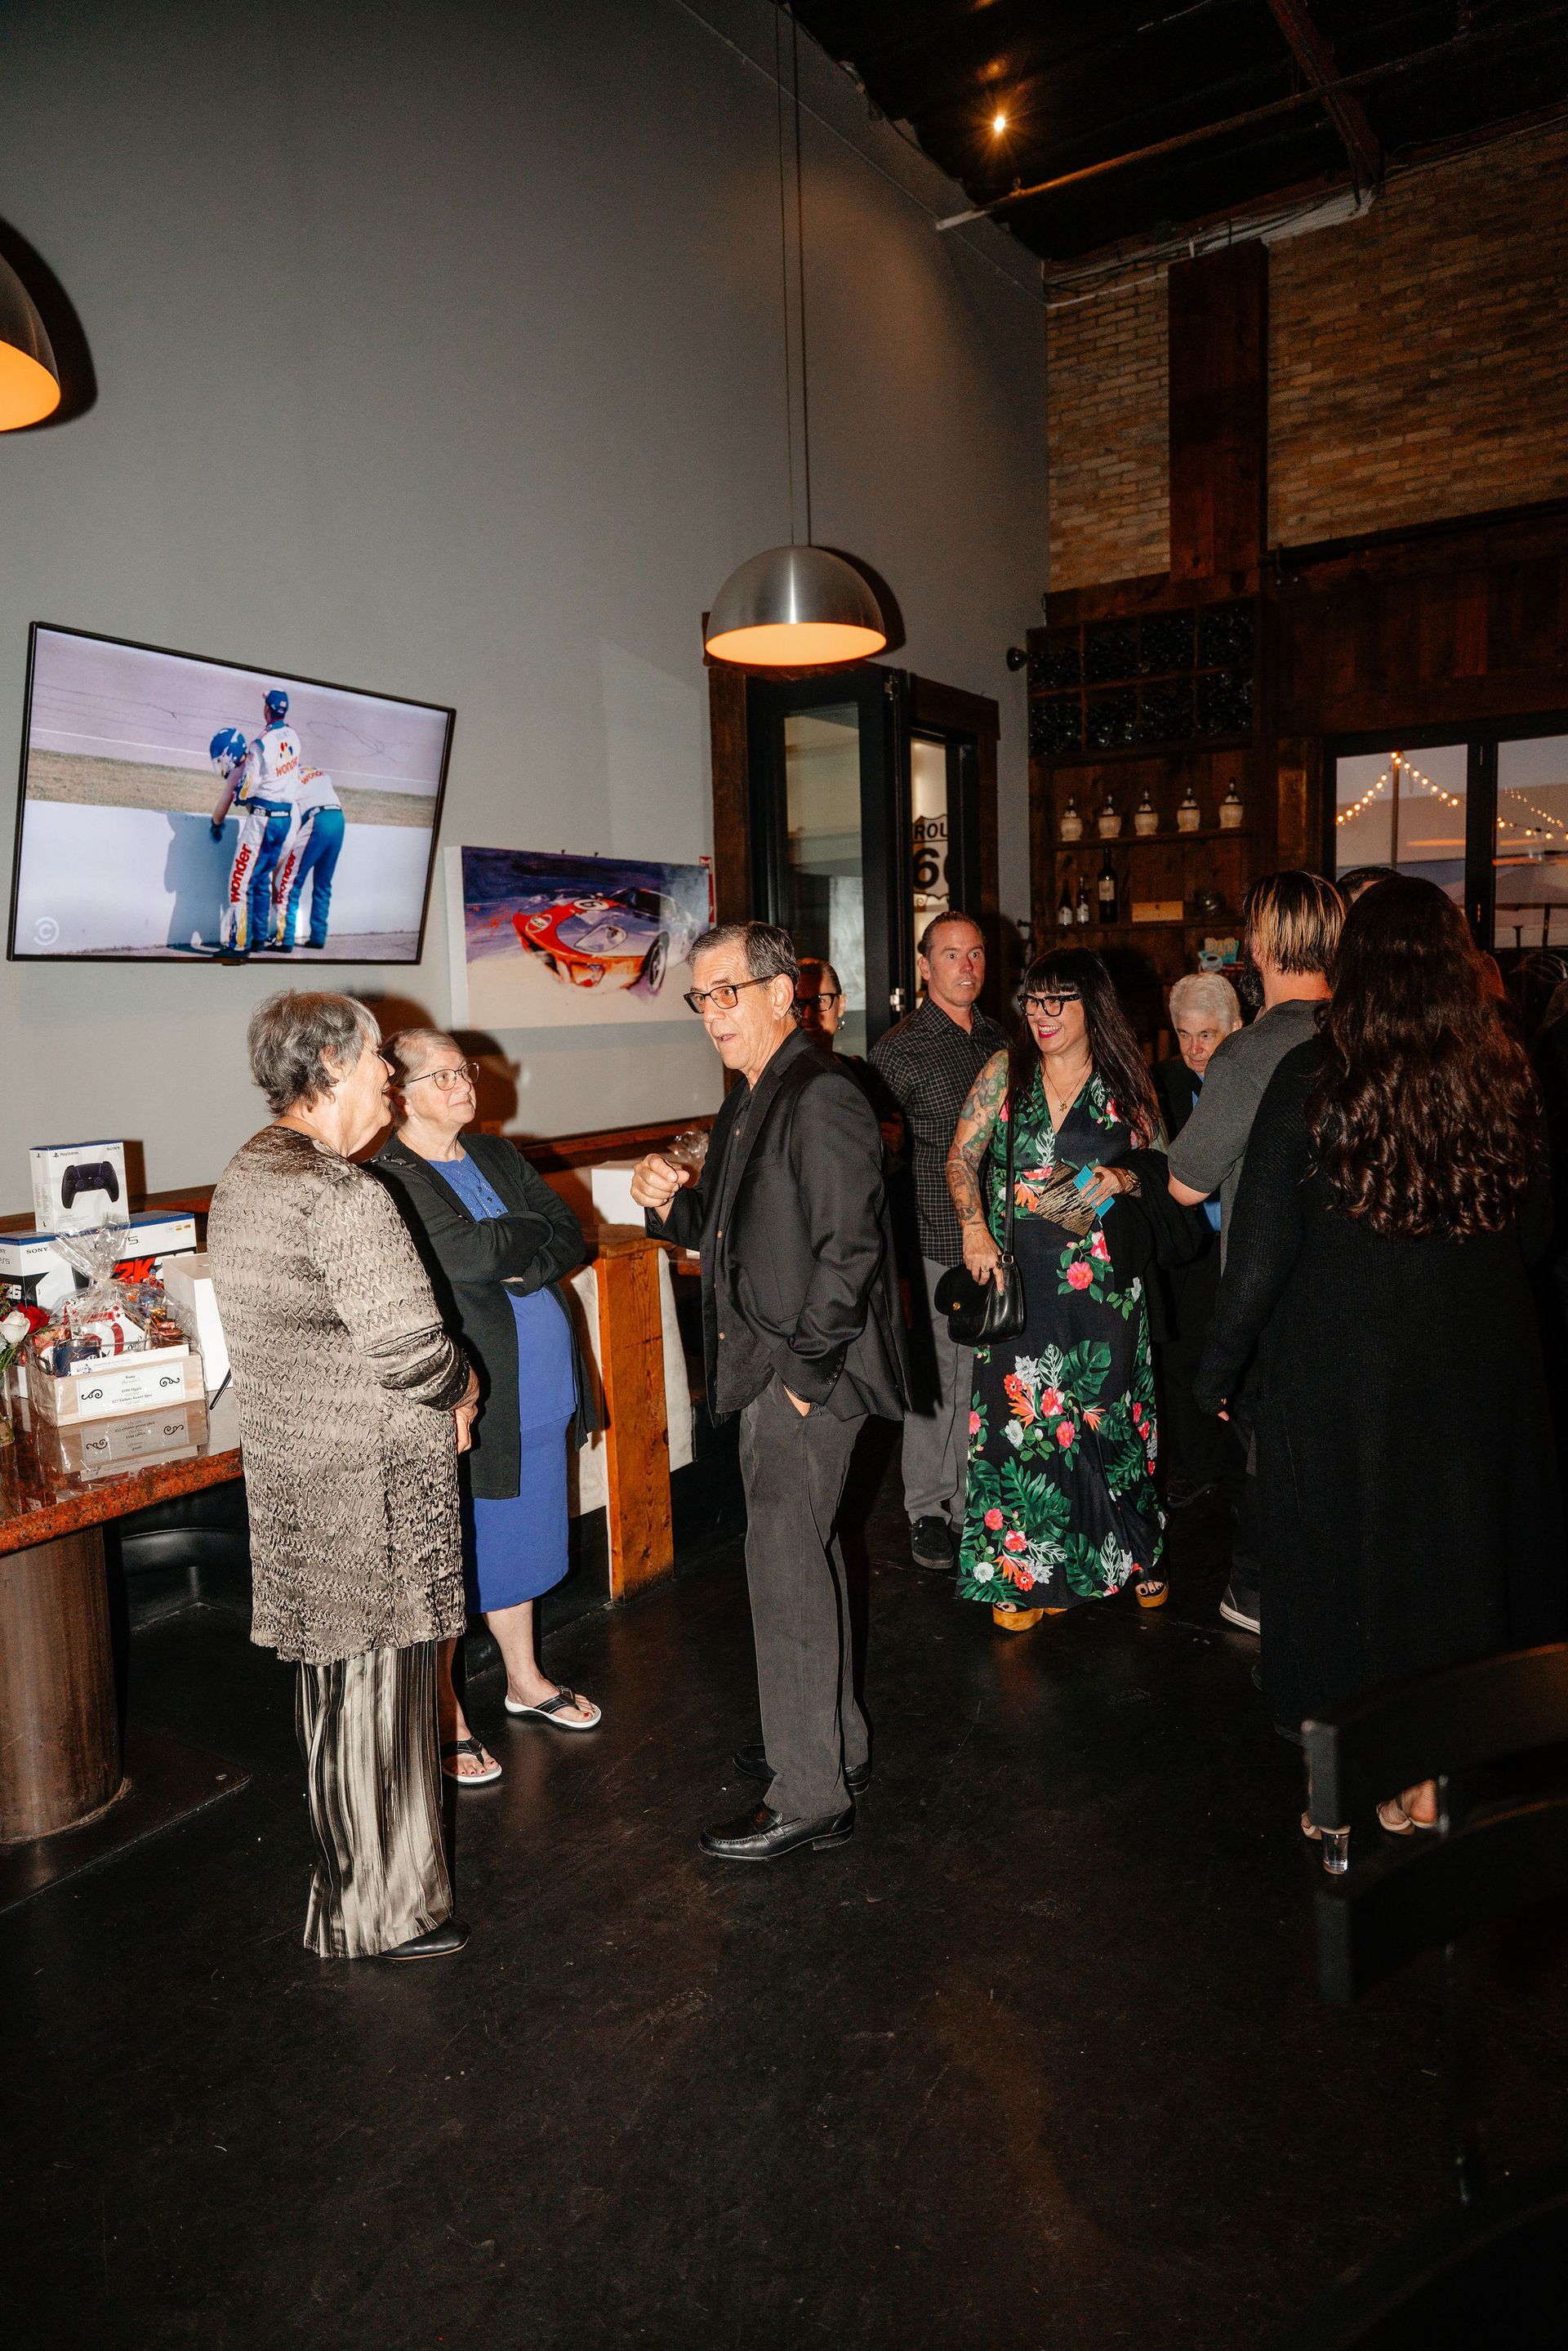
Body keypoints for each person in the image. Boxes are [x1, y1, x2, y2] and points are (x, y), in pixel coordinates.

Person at [1196, 878, 1565, 1844]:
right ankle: (1430, 1783)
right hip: (1477, 1368)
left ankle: (1343, 1800)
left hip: (1340, 1375)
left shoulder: (1311, 1076)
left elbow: (1261, 1252)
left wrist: (1218, 1372)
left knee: (1341, 1580)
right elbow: (1537, 1233)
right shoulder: (1506, 1073)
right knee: (1454, 1573)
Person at [207, 991, 479, 1961]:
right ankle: (378, 1913)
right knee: (382, 1709)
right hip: (372, 1493)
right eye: (378, 1062)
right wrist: (466, 1383)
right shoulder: (342, 1193)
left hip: (297, 1484)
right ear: (327, 1066)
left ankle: (350, 1898)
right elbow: (415, 1355)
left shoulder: (249, 1173)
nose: (391, 1080)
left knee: (336, 1710)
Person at [630, 920, 907, 1863]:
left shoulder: (821, 1094)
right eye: (701, 997)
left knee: (784, 1576)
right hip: (778, 1371)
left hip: (806, 1378)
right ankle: (834, 1746)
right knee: (806, 1557)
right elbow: (736, 1228)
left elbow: (852, 1251)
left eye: (727, 992)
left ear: (783, 994)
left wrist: (799, 1381)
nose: (712, 1014)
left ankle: (809, 1792)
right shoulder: (753, 1096)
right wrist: (671, 1201)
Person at [947, 948, 1205, 1631]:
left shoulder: (1126, 1080)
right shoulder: (1006, 1071)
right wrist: (974, 1231)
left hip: (1103, 1283)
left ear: (1094, 1005)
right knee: (1024, 1425)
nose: (1042, 1014)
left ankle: (1139, 1552)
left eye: (1058, 999)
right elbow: (960, 1158)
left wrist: (1124, 1180)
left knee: (1107, 1416)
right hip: (1019, 1279)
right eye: (1033, 999)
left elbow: (1171, 1170)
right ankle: (1024, 1574)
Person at [372, 1031, 600, 1786]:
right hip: (468, 1401)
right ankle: (447, 1715)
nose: (463, 1084)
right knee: (453, 1556)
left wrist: (519, 1253)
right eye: (440, 1077)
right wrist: (519, 1242)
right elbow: (464, 1259)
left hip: (541, 1386)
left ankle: (524, 1678)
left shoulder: (499, 1155)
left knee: (523, 1538)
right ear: (398, 1091)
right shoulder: (389, 1175)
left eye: (462, 1070)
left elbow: (567, 1232)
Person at [1166, 871, 1345, 1635]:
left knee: (1270, 1454)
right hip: (1354, 1281)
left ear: (1260, 943)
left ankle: (1258, 1594)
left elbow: (1184, 1181)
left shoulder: (1252, 1051)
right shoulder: (1363, 1031)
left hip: (1271, 1289)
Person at [870, 913, 1009, 1573]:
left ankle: (970, 1504)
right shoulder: (897, 1052)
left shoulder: (1001, 1037)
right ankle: (928, 1509)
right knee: (941, 1383)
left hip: (1001, 1237)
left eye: (976, 953)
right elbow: (877, 1152)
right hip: (932, 1235)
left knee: (986, 1380)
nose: (966, 965)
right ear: (925, 966)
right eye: (951, 954)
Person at [1154, 972, 1243, 1504]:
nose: (1195, 1047)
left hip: (1239, 1243)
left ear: (1233, 1029)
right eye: (1184, 1034)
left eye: (1206, 1034)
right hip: (1186, 1247)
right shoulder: (1160, 1081)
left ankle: (1236, 1469)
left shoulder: (1248, 1076)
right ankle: (1194, 1467)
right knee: (1181, 1359)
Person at [210, 688, 305, 958]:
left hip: (263, 821)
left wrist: (238, 794)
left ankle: (237, 944)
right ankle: (259, 939)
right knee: (262, 878)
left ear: (267, 709)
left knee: (239, 880)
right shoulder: (294, 736)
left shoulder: (259, 744)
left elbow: (249, 787)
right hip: (285, 820)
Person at [795, 956, 904, 1155]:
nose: (808, 1014)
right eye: (799, 1004)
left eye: (820, 1001)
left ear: (841, 1005)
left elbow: (892, 1140)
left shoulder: (861, 1074)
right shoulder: (778, 1077)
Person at [272, 763, 346, 951]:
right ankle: (318, 936)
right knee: (323, 884)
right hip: (338, 818)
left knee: (290, 883)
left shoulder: (289, 783)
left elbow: (291, 832)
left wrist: (274, 875)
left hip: (317, 820)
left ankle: (284, 938)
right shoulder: (315, 770)